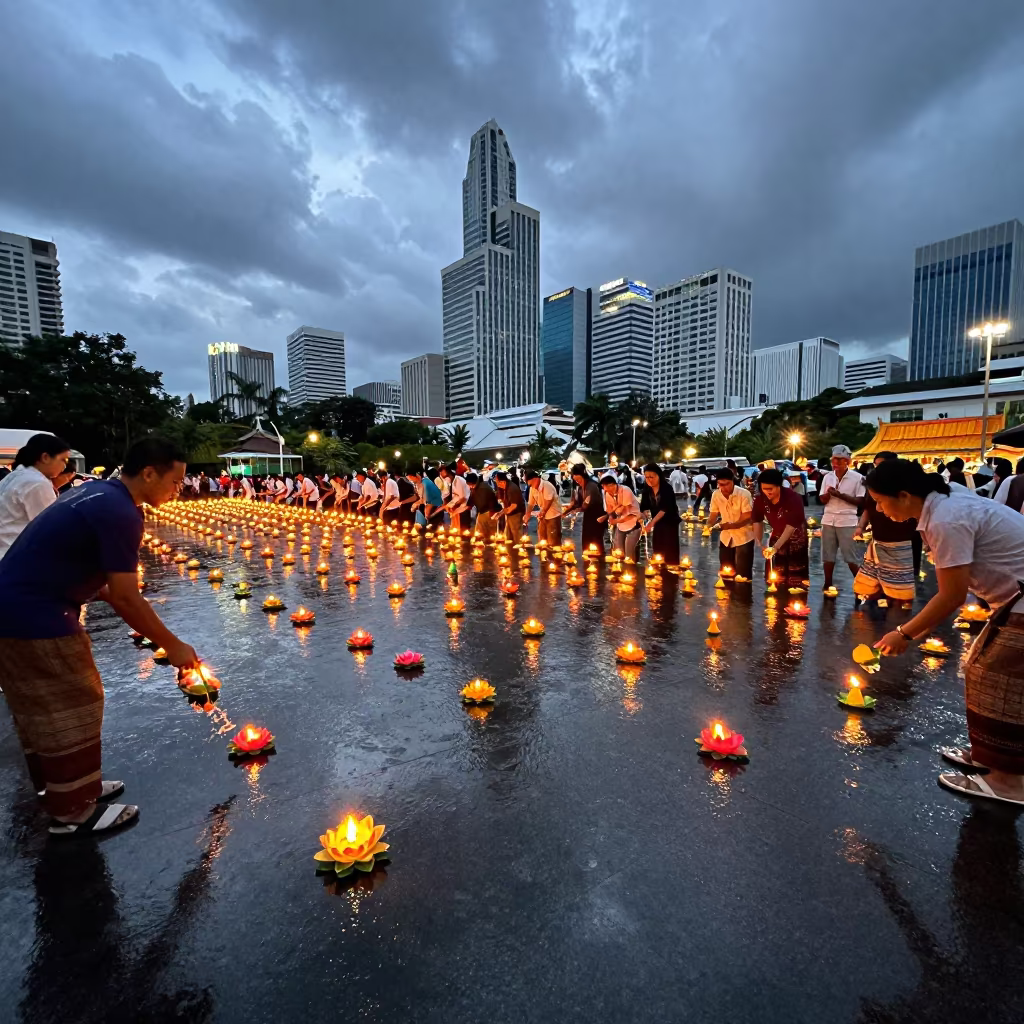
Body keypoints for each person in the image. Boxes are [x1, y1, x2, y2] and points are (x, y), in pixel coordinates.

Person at [0, 438, 200, 837]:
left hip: (17, 605)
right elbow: (125, 595)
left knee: (44, 705)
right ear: (149, 473)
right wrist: (174, 645)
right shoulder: (119, 511)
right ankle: (73, 811)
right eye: (175, 481)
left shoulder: (101, 494)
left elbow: (107, 585)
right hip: (34, 614)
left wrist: (133, 608)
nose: (179, 489)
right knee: (72, 702)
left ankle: (66, 788)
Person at [870, 459, 1024, 806]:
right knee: (980, 669)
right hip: (1011, 600)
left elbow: (952, 596)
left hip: (1020, 601)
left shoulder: (946, 519)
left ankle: (1009, 781)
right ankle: (989, 756)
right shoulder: (943, 499)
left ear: (904, 495)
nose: (879, 509)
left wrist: (904, 633)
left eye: (880, 501)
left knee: (1002, 681)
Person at [853, 452, 918, 606]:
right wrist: (860, 526)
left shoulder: (903, 491)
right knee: (868, 584)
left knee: (899, 589)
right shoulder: (875, 486)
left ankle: (897, 612)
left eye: (881, 465)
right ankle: (875, 608)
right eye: (875, 465)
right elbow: (868, 508)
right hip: (878, 539)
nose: (879, 507)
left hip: (900, 542)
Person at [0, 433, 72, 560]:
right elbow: (51, 528)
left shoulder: (17, 475)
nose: (65, 466)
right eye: (63, 460)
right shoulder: (36, 483)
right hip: (14, 557)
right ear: (45, 457)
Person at [751, 468, 809, 587]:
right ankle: (776, 591)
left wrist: (776, 547)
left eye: (770, 489)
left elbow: (791, 526)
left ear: (779, 486)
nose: (767, 492)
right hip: (777, 532)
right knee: (775, 571)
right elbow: (757, 521)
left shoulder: (793, 498)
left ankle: (796, 592)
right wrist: (759, 544)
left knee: (795, 572)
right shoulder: (760, 499)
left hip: (796, 535)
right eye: (764, 489)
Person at [818, 444, 865, 591]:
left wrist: (840, 495)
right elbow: (822, 499)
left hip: (847, 520)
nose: (836, 463)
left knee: (850, 556)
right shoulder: (828, 477)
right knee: (828, 555)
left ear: (847, 462)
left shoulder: (858, 478)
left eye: (839, 459)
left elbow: (860, 501)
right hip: (828, 519)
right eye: (834, 459)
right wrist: (828, 494)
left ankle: (862, 585)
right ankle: (827, 583)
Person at [708, 468, 755, 578]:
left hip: (744, 537)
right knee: (726, 571)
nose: (724, 487)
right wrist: (708, 525)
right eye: (721, 484)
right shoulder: (716, 494)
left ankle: (743, 589)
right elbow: (713, 513)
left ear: (733, 481)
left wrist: (730, 525)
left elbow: (747, 516)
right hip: (726, 538)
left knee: (743, 574)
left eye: (727, 484)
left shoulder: (744, 494)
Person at [639, 463, 681, 565]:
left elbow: (664, 509)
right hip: (657, 522)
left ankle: (672, 568)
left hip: (670, 521)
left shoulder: (667, 488)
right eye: (647, 477)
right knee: (658, 547)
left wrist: (651, 523)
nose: (649, 480)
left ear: (659, 475)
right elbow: (644, 506)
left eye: (652, 477)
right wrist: (643, 515)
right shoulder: (647, 489)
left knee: (670, 547)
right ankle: (659, 567)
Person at [564, 465, 606, 553]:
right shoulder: (579, 488)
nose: (577, 482)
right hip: (587, 518)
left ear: (583, 475)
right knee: (586, 541)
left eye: (578, 479)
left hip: (596, 518)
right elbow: (576, 503)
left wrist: (576, 510)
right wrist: (566, 512)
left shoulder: (592, 486)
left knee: (596, 542)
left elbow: (586, 504)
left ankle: (599, 559)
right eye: (575, 480)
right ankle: (587, 558)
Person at [600, 473, 642, 559]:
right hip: (620, 525)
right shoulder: (607, 494)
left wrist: (615, 520)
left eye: (606, 487)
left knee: (629, 553)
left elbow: (625, 512)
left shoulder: (625, 490)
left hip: (633, 523)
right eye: (603, 487)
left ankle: (632, 565)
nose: (605, 490)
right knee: (618, 552)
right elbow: (610, 510)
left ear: (612, 485)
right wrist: (610, 517)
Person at [525, 469, 562, 546]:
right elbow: (531, 503)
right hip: (542, 515)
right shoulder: (532, 488)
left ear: (535, 479)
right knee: (542, 539)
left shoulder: (547, 485)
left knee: (553, 541)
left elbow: (548, 502)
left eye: (531, 484)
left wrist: (542, 513)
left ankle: (553, 553)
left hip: (553, 516)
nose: (531, 486)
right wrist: (527, 514)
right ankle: (543, 552)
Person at [492, 471, 526, 541]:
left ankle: (519, 546)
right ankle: (511, 546)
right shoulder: (506, 487)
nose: (496, 483)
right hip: (510, 514)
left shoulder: (512, 488)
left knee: (516, 534)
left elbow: (514, 505)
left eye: (496, 481)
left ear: (502, 481)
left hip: (516, 514)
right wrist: (500, 513)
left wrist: (503, 512)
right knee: (508, 534)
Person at [466, 472, 500, 539]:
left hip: (490, 512)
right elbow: (470, 502)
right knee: (480, 533)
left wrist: (492, 512)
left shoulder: (483, 488)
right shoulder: (474, 488)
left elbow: (491, 499)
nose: (469, 486)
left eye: (469, 484)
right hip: (482, 513)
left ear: (472, 483)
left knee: (491, 534)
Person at [439, 463, 471, 533]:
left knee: (462, 531)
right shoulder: (451, 482)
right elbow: (449, 495)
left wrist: (452, 506)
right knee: (455, 531)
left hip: (463, 509)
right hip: (456, 510)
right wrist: (447, 505)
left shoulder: (458, 480)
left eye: (444, 476)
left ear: (449, 473)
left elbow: (463, 498)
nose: (443, 478)